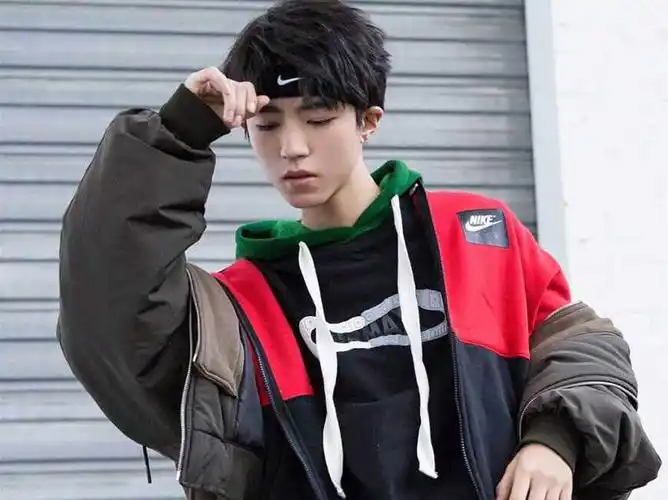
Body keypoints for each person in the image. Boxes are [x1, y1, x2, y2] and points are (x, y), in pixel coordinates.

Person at [57, 1, 661, 499]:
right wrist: (181, 131)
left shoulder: (475, 234)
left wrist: (553, 441)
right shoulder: (237, 308)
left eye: (318, 118)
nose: (292, 147)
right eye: (268, 125)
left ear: (368, 120)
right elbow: (103, 311)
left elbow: (580, 346)